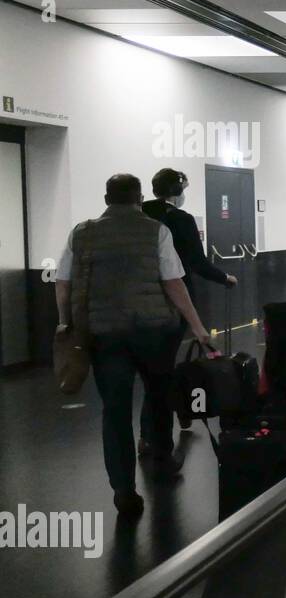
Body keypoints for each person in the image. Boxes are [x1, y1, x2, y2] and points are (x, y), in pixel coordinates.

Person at [55, 174, 212, 518]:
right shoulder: (157, 230)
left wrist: (66, 324)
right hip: (153, 330)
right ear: (140, 198)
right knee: (158, 395)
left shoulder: (82, 233)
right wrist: (198, 328)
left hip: (104, 333)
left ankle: (123, 489)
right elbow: (174, 283)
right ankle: (162, 458)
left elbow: (63, 282)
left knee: (115, 410)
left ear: (106, 197)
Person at [139, 167, 236, 458]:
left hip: (139, 301)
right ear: (178, 191)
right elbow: (196, 262)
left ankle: (153, 428)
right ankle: (161, 426)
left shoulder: (140, 215)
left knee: (150, 371)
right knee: (163, 369)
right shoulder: (181, 220)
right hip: (174, 302)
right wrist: (225, 278)